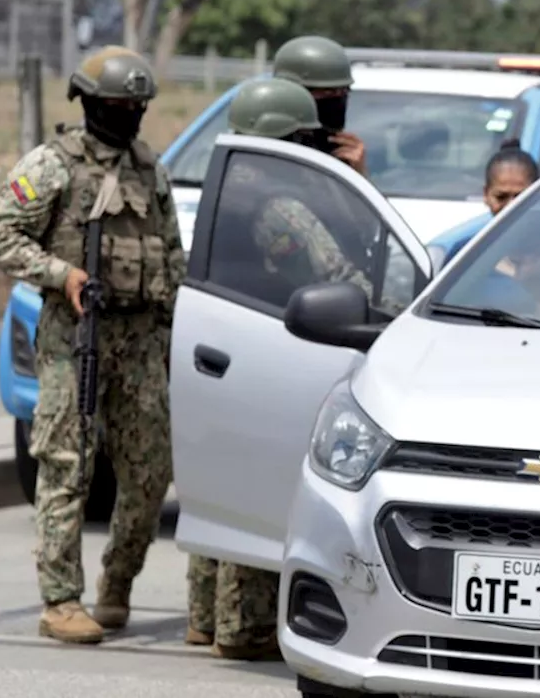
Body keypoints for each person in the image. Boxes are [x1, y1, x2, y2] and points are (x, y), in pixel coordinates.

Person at [0, 46, 180, 645]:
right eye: (120, 106)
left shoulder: (149, 168)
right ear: (91, 104)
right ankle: (60, 600)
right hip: (75, 338)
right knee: (66, 466)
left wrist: (174, 328)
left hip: (141, 344)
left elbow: (171, 254)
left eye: (137, 107)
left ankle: (116, 585)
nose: (130, 116)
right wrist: (59, 274)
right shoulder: (52, 165)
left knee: (150, 475)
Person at [192, 77, 375, 661]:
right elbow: (354, 282)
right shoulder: (284, 203)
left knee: (225, 489)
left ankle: (208, 618)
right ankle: (243, 628)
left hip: (233, 347)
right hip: (282, 347)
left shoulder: (232, 188)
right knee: (270, 489)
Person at [271, 34, 368, 176]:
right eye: (328, 92)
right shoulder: (260, 150)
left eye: (344, 91)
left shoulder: (338, 151)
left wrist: (357, 174)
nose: (338, 99)